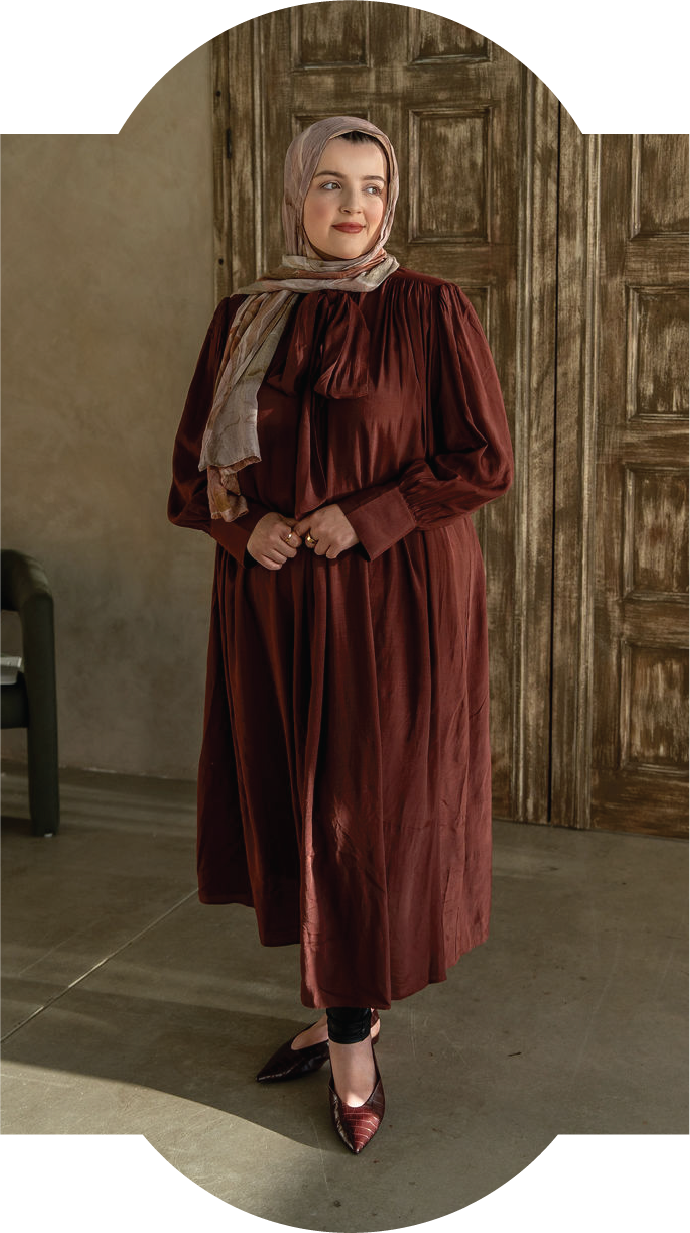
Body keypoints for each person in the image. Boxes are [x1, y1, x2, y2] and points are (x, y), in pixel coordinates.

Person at [167, 115, 514, 1154]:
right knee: (300, 810)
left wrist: (360, 518)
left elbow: (482, 460)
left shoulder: (432, 311)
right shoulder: (245, 318)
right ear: (295, 198)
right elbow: (195, 474)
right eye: (328, 184)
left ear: (392, 201)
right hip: (273, 608)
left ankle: (354, 1048)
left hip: (394, 609)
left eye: (369, 186)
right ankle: (337, 1005)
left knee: (365, 820)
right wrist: (248, 525)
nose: (351, 206)